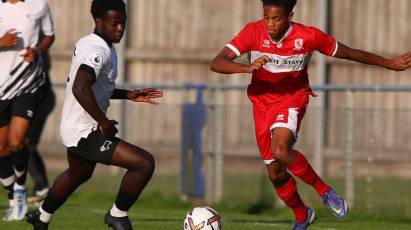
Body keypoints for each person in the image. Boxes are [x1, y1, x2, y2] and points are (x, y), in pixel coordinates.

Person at [210, 0, 411, 229]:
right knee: (276, 174)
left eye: (276, 19)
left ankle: (324, 191)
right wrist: (245, 68)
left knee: (281, 150)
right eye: (266, 17)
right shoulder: (252, 32)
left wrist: (389, 63)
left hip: (292, 99)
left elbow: (349, 53)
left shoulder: (308, 36)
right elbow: (217, 62)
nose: (270, 24)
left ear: (290, 16)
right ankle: (302, 214)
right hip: (261, 104)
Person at [26, 0, 163, 229]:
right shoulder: (97, 50)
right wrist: (104, 123)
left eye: (123, 23)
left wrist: (128, 94)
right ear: (99, 21)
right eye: (114, 23)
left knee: (78, 174)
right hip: (85, 130)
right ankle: (117, 215)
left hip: (76, 125)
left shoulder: (95, 43)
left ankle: (41, 217)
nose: (120, 28)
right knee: (143, 163)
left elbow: (92, 86)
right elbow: (80, 87)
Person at [0, 0, 55, 221]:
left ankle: (21, 189)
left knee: (16, 142)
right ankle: (13, 199)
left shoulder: (39, 4)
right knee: (2, 148)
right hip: (1, 87)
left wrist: (38, 50)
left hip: (28, 83)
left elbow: (49, 36)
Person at [26, 44, 55, 204]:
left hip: (41, 100)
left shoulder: (36, 45)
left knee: (26, 143)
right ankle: (40, 187)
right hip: (27, 100)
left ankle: (42, 188)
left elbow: (44, 68)